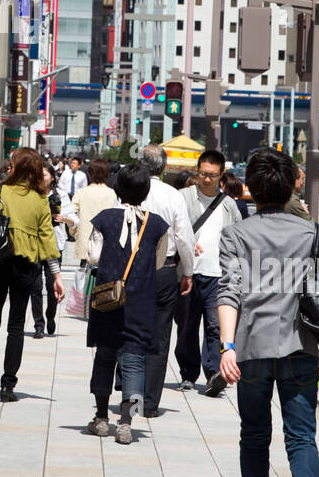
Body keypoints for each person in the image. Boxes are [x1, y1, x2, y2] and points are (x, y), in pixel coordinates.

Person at [218, 147, 319, 477]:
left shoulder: (236, 235)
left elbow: (229, 293)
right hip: (300, 346)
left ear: (251, 191)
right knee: (301, 434)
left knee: (254, 433)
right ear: (292, 186)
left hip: (252, 348)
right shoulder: (314, 234)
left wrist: (227, 346)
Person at [0, 147, 63, 402]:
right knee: (16, 325)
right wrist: (56, 275)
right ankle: (8, 386)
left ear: (13, 166)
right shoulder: (39, 199)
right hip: (25, 267)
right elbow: (48, 238)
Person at [86, 165, 169, 444]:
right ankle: (126, 423)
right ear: (146, 192)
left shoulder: (104, 219)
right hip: (142, 302)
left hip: (107, 299)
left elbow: (94, 257)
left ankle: (100, 418)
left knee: (105, 356)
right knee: (134, 362)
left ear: (117, 189)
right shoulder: (157, 225)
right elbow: (159, 262)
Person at [178, 149, 241, 397]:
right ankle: (187, 374)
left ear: (221, 175)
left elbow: (237, 239)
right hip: (189, 273)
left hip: (219, 275)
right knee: (187, 326)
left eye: (213, 175)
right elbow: (173, 227)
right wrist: (186, 242)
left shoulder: (229, 205)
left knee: (215, 327)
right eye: (204, 174)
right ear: (197, 171)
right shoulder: (183, 197)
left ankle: (214, 373)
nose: (207, 179)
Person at [140, 144, 195, 416]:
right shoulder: (173, 195)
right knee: (160, 335)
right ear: (163, 168)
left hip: (132, 268)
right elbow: (184, 238)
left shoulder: (129, 191)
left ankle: (128, 389)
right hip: (165, 268)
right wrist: (188, 272)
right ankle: (149, 402)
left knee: (131, 329)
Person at [31, 162, 76, 337]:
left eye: (45, 174)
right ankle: (38, 325)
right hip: (34, 246)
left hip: (55, 245)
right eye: (39, 174)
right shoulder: (32, 194)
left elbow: (75, 219)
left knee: (52, 286)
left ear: (52, 177)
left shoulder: (61, 195)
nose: (42, 178)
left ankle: (50, 315)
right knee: (35, 287)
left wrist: (64, 218)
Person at [71, 158, 117, 268]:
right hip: (107, 242)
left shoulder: (81, 193)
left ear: (89, 173)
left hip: (85, 242)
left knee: (84, 279)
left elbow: (71, 215)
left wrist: (74, 232)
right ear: (107, 174)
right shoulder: (113, 194)